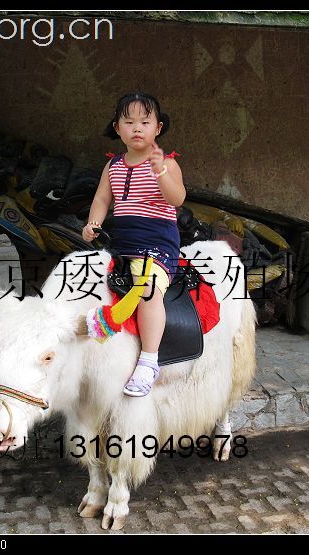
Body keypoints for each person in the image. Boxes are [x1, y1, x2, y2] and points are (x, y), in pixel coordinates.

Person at [82, 91, 186, 397]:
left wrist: (161, 172)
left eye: (145, 121)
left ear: (158, 128)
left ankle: (149, 361)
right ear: (117, 128)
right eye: (129, 122)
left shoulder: (167, 163)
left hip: (156, 245)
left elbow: (177, 199)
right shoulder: (113, 165)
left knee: (148, 289)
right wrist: (93, 225)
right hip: (119, 243)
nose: (136, 127)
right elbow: (102, 198)